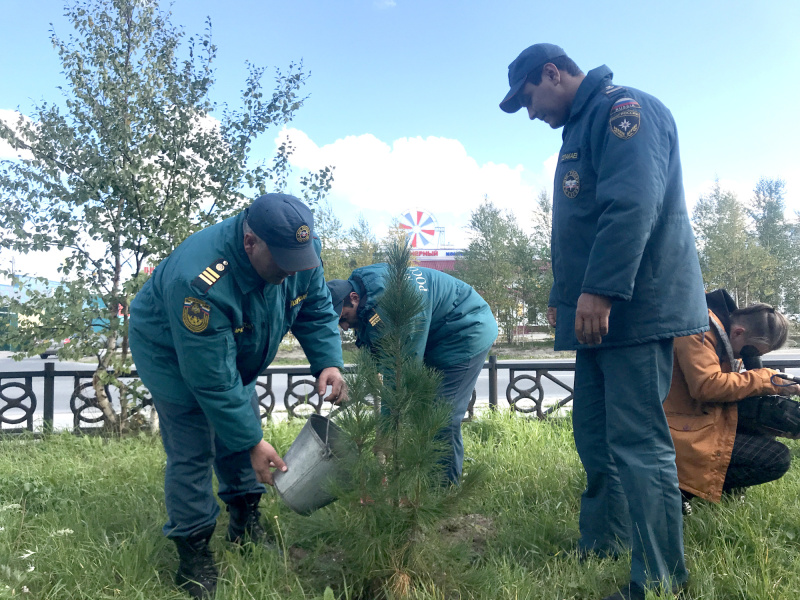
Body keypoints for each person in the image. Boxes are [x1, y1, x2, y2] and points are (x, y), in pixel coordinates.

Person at [499, 44, 709, 600]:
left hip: (635, 309)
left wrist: (600, 290)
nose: (530, 113)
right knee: (594, 436)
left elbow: (632, 203)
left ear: (552, 73)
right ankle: (604, 542)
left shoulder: (625, 111)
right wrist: (562, 295)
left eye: (527, 98)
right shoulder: (580, 126)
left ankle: (661, 580)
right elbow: (578, 226)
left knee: (639, 443)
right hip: (598, 313)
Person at [129, 193, 346, 599]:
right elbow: (211, 379)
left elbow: (315, 307)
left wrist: (328, 361)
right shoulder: (199, 281)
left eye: (297, 261)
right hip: (174, 357)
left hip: (235, 352)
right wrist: (250, 441)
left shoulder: (298, 252)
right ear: (250, 243)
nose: (289, 271)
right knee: (195, 449)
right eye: (281, 262)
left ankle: (245, 522)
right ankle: (193, 554)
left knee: (241, 427)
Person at [326, 263, 497, 485]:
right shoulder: (368, 292)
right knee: (420, 411)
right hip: (435, 334)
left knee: (441, 416)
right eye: (340, 323)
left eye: (344, 317)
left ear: (354, 298)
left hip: (466, 330)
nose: (346, 328)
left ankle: (441, 492)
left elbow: (401, 370)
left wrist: (387, 431)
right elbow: (377, 340)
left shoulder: (396, 304)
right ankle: (416, 484)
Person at [664, 289, 800, 513]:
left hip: (699, 417)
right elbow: (707, 386)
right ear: (738, 332)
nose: (745, 358)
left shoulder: (722, 331)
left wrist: (778, 389)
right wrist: (766, 379)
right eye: (750, 352)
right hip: (678, 427)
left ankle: (725, 491)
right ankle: (679, 489)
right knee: (777, 459)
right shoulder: (699, 328)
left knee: (766, 415)